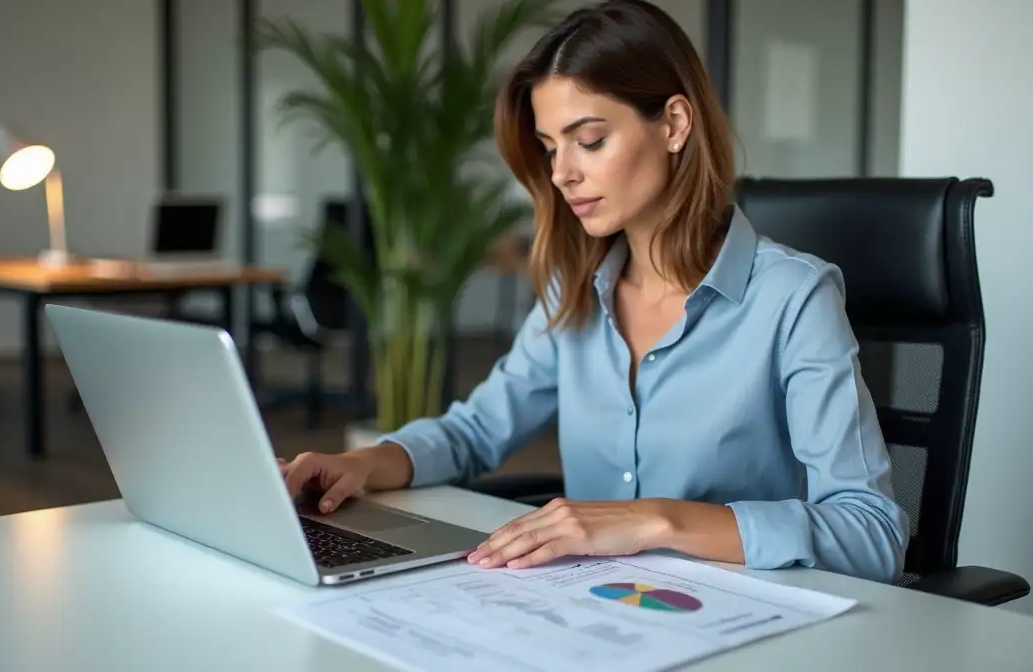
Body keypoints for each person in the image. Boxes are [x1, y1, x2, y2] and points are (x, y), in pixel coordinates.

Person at [280, 0, 909, 584]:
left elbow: (873, 531)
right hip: (594, 611)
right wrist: (365, 464)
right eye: (551, 148)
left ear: (673, 124)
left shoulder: (793, 298)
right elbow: (476, 431)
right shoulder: (574, 287)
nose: (561, 174)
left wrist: (657, 520)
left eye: (590, 141)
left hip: (742, 621)